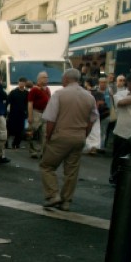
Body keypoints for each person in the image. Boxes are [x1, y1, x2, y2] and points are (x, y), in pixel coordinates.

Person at [39, 68, 98, 211]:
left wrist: (48, 137)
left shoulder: (59, 94)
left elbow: (51, 119)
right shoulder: (89, 96)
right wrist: (84, 134)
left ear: (66, 79)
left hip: (61, 135)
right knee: (71, 171)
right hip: (79, 136)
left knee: (47, 166)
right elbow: (92, 119)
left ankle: (53, 195)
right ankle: (66, 201)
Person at [27, 71, 51, 159]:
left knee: (44, 134)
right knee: (32, 132)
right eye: (45, 77)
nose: (47, 79)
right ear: (39, 79)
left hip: (45, 113)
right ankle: (33, 151)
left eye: (47, 77)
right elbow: (30, 103)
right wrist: (30, 116)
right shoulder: (34, 90)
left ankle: (43, 152)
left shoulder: (47, 89)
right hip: (36, 112)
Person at [6, 77, 29, 149]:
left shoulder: (27, 93)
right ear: (18, 83)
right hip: (13, 114)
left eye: (23, 82)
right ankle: (6, 143)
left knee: (20, 130)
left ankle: (16, 143)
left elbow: (28, 104)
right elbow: (7, 101)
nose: (21, 83)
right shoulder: (13, 92)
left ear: (25, 83)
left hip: (22, 114)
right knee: (9, 129)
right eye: (20, 82)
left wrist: (27, 113)